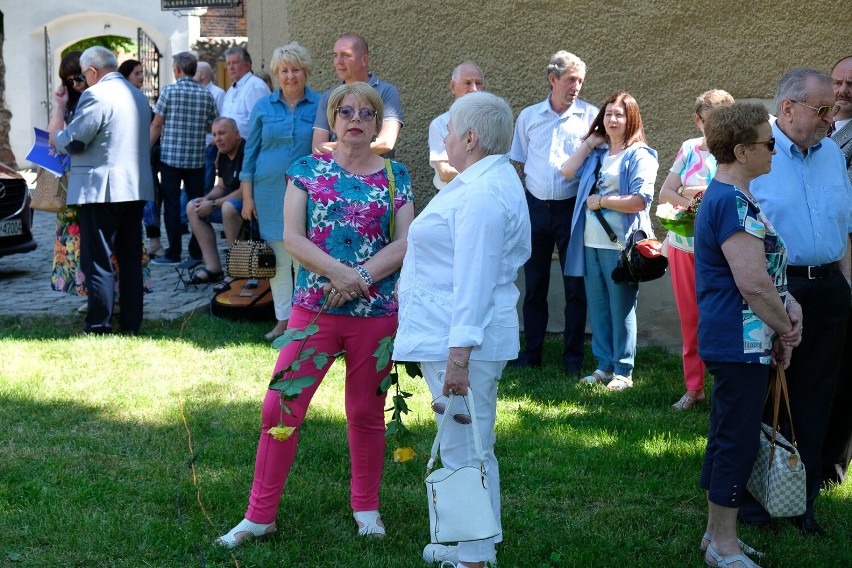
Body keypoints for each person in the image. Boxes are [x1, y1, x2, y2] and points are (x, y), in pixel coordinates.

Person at [216, 82, 414, 548]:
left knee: (366, 413)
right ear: (333, 118)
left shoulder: (395, 174)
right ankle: (259, 516)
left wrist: (357, 277)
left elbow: (405, 243)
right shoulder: (305, 170)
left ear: (377, 122)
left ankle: (366, 506)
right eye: (346, 112)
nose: (356, 120)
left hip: (375, 312)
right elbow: (293, 236)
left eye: (367, 113)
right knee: (280, 406)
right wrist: (340, 275)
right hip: (315, 310)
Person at [394, 91, 530, 568]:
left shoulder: (483, 194)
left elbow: (474, 279)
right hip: (456, 336)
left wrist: (458, 358)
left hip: (462, 341)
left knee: (464, 448)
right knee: (469, 444)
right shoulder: (479, 181)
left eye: (449, 130)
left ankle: (472, 558)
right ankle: (475, 545)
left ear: (470, 138)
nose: (445, 138)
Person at [738, 68, 852, 536]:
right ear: (788, 109)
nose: (832, 118)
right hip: (774, 288)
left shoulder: (831, 156)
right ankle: (752, 503)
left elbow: (844, 228)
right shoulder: (755, 156)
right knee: (763, 394)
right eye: (822, 109)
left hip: (828, 290)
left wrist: (845, 287)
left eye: (833, 110)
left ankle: (801, 502)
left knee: (816, 397)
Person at [693, 103, 802, 568]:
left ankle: (717, 536)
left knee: (728, 435)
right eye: (768, 143)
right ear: (741, 150)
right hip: (741, 341)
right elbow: (753, 285)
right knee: (736, 440)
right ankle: (724, 546)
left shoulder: (731, 196)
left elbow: (765, 280)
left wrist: (787, 307)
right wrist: (787, 329)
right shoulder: (733, 202)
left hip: (741, 338)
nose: (774, 149)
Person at [48, 46, 155, 334]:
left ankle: (98, 324)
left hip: (101, 189)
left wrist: (56, 138)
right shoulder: (138, 95)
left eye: (84, 75)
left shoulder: (96, 95)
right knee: (130, 258)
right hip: (135, 189)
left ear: (93, 71)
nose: (84, 80)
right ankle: (132, 324)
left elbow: (75, 142)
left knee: (97, 260)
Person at [560, 92, 658, 390]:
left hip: (621, 245)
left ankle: (623, 370)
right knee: (599, 306)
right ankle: (603, 365)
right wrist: (590, 142)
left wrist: (601, 201)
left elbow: (640, 200)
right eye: (608, 114)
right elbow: (566, 170)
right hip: (590, 242)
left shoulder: (640, 154)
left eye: (619, 114)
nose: (613, 119)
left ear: (632, 119)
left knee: (621, 307)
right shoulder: (599, 153)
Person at [509, 51, 598, 375]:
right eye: (570, 79)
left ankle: (573, 358)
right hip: (535, 208)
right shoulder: (529, 117)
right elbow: (521, 160)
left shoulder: (590, 117)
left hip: (572, 209)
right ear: (553, 79)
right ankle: (531, 353)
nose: (576, 86)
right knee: (534, 285)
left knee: (575, 285)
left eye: (580, 81)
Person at [658, 90, 734, 410]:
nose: (715, 129)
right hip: (683, 247)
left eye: (722, 121)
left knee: (723, 319)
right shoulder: (689, 148)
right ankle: (694, 388)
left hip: (722, 252)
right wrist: (694, 199)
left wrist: (690, 192)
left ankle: (727, 387)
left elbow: (730, 193)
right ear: (698, 120)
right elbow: (665, 192)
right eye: (709, 121)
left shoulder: (734, 152)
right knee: (691, 320)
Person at [239, 42, 320, 340]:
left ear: (305, 72)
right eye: (284, 71)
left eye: (295, 69)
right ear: (276, 74)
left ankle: (304, 320)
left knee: (304, 260)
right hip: (269, 192)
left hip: (308, 192)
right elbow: (250, 154)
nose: (290, 76)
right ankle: (283, 321)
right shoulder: (263, 106)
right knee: (278, 262)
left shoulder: (321, 104)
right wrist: (247, 197)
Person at [149, 52, 218, 267]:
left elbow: (157, 124)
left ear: (178, 69)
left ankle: (173, 252)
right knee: (197, 203)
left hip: (170, 158)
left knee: (171, 204)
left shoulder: (169, 91)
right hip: (196, 158)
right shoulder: (206, 94)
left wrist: (146, 148)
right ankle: (196, 251)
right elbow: (213, 124)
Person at [823, 55, 852, 486]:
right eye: (838, 82)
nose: (844, 91)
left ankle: (831, 466)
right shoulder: (828, 131)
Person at [311, 34, 403, 158]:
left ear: (364, 60)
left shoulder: (386, 91)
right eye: (335, 55)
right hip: (338, 175)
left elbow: (386, 143)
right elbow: (318, 148)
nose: (338, 61)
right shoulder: (329, 96)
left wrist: (340, 147)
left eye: (346, 55)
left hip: (377, 175)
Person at [184, 117, 245, 284]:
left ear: (236, 134)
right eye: (214, 134)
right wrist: (206, 199)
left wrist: (213, 204)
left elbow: (244, 191)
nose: (217, 139)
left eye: (222, 133)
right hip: (227, 202)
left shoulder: (246, 151)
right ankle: (213, 268)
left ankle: (237, 270)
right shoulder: (223, 153)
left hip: (248, 206)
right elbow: (221, 186)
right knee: (192, 206)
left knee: (228, 207)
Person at [428, 61, 484, 191]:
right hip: (451, 197)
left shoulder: (492, 123)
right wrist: (483, 169)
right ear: (453, 86)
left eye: (479, 83)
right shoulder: (440, 124)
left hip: (483, 195)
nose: (474, 89)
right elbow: (445, 172)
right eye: (468, 83)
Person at [221, 46, 270, 144]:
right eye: (228, 63)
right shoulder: (230, 91)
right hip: (230, 151)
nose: (230, 67)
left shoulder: (256, 86)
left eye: (235, 63)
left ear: (248, 65)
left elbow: (261, 123)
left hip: (248, 149)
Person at [195, 61, 226, 195]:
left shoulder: (218, 94)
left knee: (207, 182)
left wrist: (214, 140)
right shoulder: (194, 91)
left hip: (209, 145)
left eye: (194, 72)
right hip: (196, 145)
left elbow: (220, 119)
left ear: (202, 75)